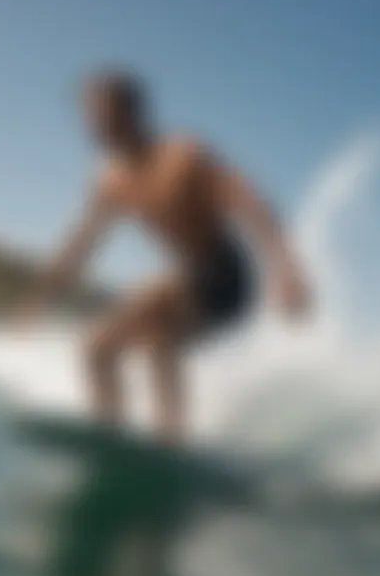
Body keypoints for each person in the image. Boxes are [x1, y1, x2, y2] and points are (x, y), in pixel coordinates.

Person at [19, 70, 310, 443]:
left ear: (130, 113)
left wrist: (286, 270)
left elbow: (250, 203)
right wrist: (40, 298)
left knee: (159, 326)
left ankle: (170, 437)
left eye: (100, 114)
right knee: (96, 349)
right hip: (186, 276)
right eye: (88, 116)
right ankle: (111, 437)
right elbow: (81, 243)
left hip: (226, 276)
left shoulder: (183, 154)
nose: (92, 125)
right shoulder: (110, 179)